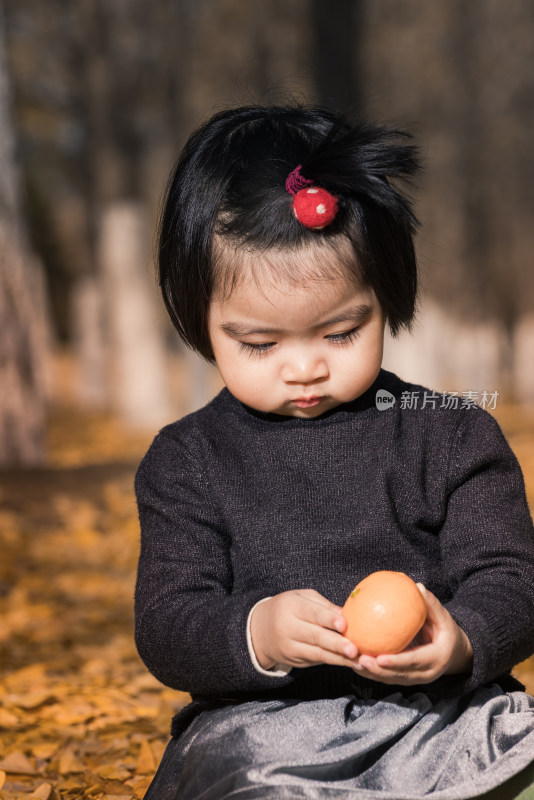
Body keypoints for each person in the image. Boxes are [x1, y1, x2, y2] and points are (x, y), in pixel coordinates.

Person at [134, 104, 534, 800]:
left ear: (385, 298)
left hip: (440, 722)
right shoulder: (187, 462)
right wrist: (256, 632)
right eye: (260, 344)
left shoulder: (451, 435)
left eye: (341, 332)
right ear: (199, 319)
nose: (303, 368)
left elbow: (512, 578)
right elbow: (169, 621)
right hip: (263, 738)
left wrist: (462, 638)